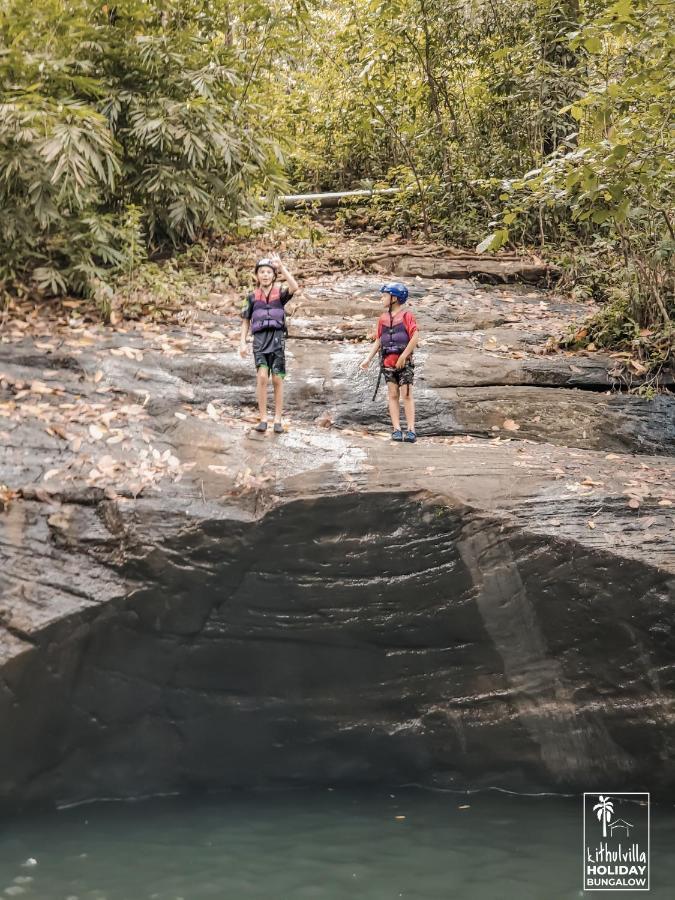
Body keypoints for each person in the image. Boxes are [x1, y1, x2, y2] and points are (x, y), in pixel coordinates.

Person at [239, 254, 298, 433]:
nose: (265, 275)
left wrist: (281, 267)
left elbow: (295, 287)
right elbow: (245, 321)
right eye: (261, 272)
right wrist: (242, 343)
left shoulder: (280, 294)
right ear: (257, 276)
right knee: (262, 377)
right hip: (259, 340)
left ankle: (278, 420)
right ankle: (263, 419)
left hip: (276, 338)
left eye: (268, 272)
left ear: (273, 275)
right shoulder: (250, 297)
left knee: (277, 378)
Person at [361, 282, 419, 442]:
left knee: (406, 394)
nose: (382, 298)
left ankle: (411, 429)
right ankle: (396, 429)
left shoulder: (407, 316)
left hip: (404, 363)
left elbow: (415, 337)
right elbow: (379, 340)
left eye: (385, 295)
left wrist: (403, 356)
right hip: (388, 362)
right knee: (392, 394)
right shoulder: (383, 319)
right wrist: (368, 359)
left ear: (395, 298)